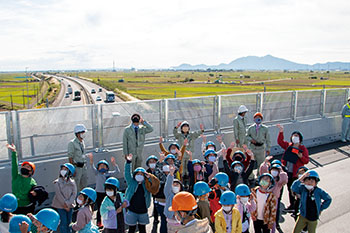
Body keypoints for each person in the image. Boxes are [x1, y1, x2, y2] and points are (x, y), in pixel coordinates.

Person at [276, 124, 309, 213]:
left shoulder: (302, 148)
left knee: (295, 189)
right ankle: (292, 205)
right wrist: (281, 131)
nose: (295, 138)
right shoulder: (289, 146)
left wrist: (301, 157)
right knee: (288, 189)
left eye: (297, 136)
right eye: (294, 136)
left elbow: (306, 160)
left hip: (296, 173)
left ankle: (297, 206)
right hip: (287, 171)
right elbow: (280, 142)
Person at [124, 154, 159, 233]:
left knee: (142, 229)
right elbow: (127, 173)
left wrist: (149, 176)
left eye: (141, 174)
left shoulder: (147, 184)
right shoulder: (131, 183)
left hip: (143, 211)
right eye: (137, 174)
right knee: (131, 229)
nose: (139, 176)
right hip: (132, 210)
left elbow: (155, 183)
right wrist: (128, 162)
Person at [88, 155, 120, 228]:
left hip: (107, 193)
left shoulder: (108, 174)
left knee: (108, 207)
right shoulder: (97, 173)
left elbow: (117, 172)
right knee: (99, 208)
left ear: (107, 168)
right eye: (100, 166)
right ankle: (99, 222)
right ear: (98, 168)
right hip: (98, 193)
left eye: (104, 166)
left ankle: (109, 221)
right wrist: (91, 161)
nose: (102, 167)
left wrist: (114, 164)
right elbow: (92, 168)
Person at [259, 157, 288, 233]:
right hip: (265, 200)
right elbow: (262, 171)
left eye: (276, 170)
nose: (274, 172)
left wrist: (281, 169)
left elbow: (285, 179)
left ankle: (273, 230)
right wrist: (265, 162)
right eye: (273, 169)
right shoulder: (267, 178)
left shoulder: (279, 181)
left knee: (273, 218)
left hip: (274, 201)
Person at [7, 144, 37, 215]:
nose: (25, 168)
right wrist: (14, 152)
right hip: (15, 206)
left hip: (27, 207)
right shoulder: (16, 176)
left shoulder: (32, 182)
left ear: (31, 172)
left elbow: (37, 192)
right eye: (24, 166)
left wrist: (35, 193)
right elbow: (14, 165)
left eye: (28, 167)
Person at [51, 163, 77, 233]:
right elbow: (58, 194)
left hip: (70, 205)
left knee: (69, 221)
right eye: (62, 169)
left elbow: (74, 194)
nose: (63, 171)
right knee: (63, 222)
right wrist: (65, 205)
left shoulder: (72, 182)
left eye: (65, 169)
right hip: (60, 205)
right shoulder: (57, 182)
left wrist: (68, 203)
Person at [246, 112, 271, 176]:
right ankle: (250, 177)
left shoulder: (265, 128)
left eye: (259, 118)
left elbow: (268, 139)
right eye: (256, 118)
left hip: (261, 148)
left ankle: (259, 176)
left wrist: (268, 148)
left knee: (261, 164)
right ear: (254, 119)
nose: (258, 119)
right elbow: (246, 136)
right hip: (252, 147)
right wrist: (251, 140)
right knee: (250, 163)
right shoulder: (250, 128)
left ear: (262, 119)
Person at [68, 124, 88, 192]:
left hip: (83, 167)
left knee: (84, 184)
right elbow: (70, 157)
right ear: (78, 133)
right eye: (82, 132)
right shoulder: (72, 143)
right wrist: (72, 170)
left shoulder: (82, 142)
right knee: (76, 186)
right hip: (77, 168)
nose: (84, 134)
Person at [164, 165, 184, 233]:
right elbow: (168, 185)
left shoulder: (183, 196)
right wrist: (171, 174)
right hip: (171, 223)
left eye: (177, 185)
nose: (175, 186)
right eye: (174, 185)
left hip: (181, 223)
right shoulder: (169, 194)